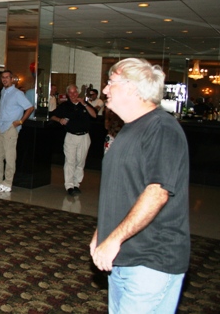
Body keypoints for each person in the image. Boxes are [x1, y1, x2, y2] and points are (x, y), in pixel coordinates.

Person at [90, 58, 190, 314]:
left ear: (133, 88)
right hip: (124, 256)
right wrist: (102, 233)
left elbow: (157, 193)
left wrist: (113, 239)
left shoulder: (161, 128)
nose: (105, 89)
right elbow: (122, 190)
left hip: (152, 259)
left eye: (111, 82)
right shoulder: (129, 129)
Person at [0, 70, 34, 193]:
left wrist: (21, 121)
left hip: (10, 128)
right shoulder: (3, 92)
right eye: (3, 77)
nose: (4, 79)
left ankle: (8, 182)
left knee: (9, 157)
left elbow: (30, 108)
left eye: (7, 77)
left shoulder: (18, 93)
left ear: (12, 79)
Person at [50, 84, 96, 195]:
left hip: (84, 137)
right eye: (70, 92)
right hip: (71, 136)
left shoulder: (84, 104)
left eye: (75, 92)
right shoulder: (65, 105)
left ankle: (76, 184)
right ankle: (69, 186)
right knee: (70, 161)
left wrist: (84, 104)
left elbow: (94, 115)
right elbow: (52, 115)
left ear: (78, 92)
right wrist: (59, 120)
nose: (73, 94)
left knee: (80, 161)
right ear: (67, 94)